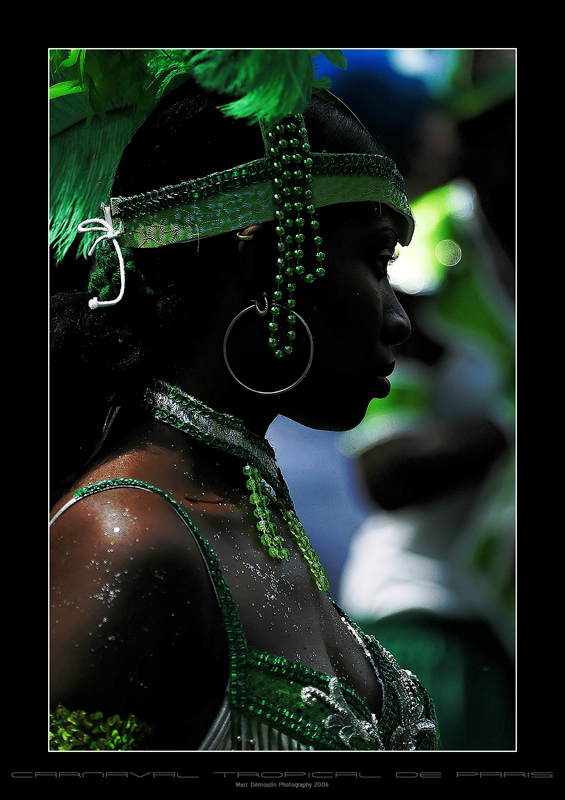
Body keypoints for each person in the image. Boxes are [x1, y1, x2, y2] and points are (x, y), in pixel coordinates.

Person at [49, 49, 438, 751]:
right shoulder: (129, 538)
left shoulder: (248, 512)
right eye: (376, 259)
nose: (396, 316)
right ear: (263, 265)